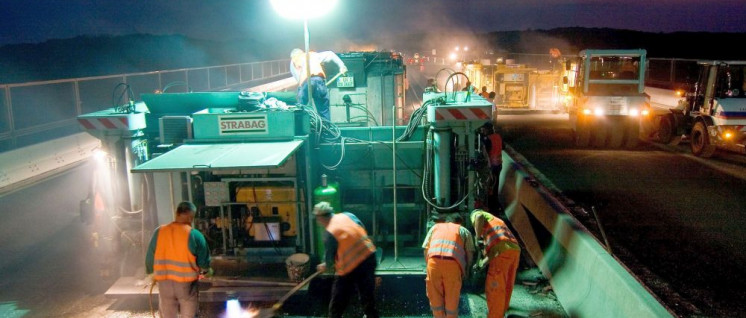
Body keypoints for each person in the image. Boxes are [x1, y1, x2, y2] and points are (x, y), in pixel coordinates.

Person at [146, 201, 212, 318]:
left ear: (176, 213)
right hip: (185, 285)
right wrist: (207, 271)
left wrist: (152, 273)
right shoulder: (194, 235)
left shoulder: (159, 232)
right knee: (189, 314)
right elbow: (204, 263)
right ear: (191, 217)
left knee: (167, 314)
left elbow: (149, 258)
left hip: (164, 283)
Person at [313, 201, 379, 318]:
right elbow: (361, 228)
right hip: (369, 257)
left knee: (337, 302)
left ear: (322, 217)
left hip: (350, 267)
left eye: (318, 219)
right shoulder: (347, 215)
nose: (318, 222)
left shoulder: (330, 233)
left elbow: (329, 261)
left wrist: (324, 265)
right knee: (367, 297)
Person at [471, 209, 521, 318]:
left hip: (502, 254)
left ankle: (495, 315)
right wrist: (481, 264)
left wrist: (477, 238)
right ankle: (501, 311)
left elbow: (478, 216)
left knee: (495, 287)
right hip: (514, 251)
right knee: (506, 284)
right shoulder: (496, 222)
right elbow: (495, 251)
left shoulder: (478, 214)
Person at [422, 215, 474, 318]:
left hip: (433, 263)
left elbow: (426, 249)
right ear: (460, 222)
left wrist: (429, 266)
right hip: (452, 266)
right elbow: (470, 254)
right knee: (452, 299)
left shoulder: (435, 227)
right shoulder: (463, 230)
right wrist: (466, 271)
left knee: (435, 298)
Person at [290, 48, 348, 121]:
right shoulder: (313, 55)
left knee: (300, 107)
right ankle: (327, 130)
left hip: (306, 82)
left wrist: (300, 88)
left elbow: (298, 78)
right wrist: (342, 66)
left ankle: (299, 127)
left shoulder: (294, 60)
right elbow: (330, 53)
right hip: (319, 80)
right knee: (323, 109)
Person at [479, 121, 503, 213]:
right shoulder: (498, 136)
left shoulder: (487, 139)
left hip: (491, 166)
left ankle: (489, 206)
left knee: (488, 187)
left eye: (484, 129)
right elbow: (502, 147)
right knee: (495, 186)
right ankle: (495, 205)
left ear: (488, 130)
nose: (483, 131)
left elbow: (485, 152)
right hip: (499, 165)